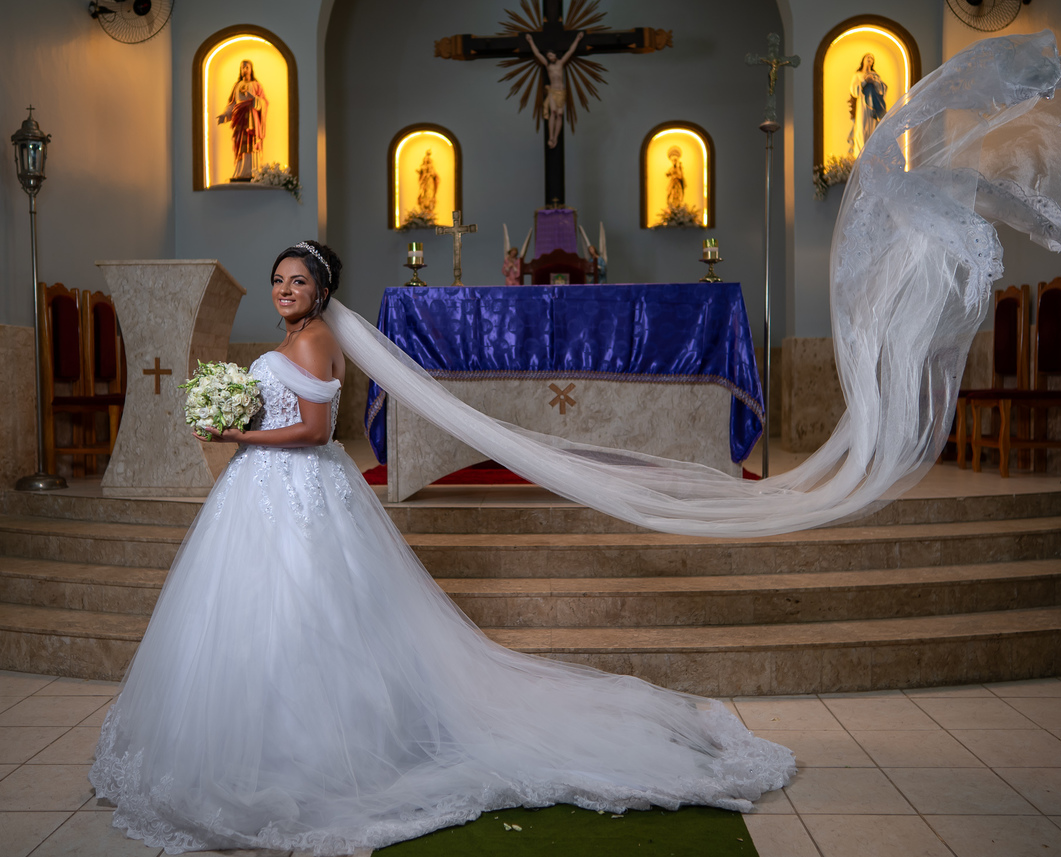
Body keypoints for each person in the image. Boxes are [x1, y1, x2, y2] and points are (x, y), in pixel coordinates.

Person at [89, 240, 794, 855]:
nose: (284, 290)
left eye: (298, 282)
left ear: (322, 292)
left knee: (306, 611)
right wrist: (241, 415)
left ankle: (311, 751)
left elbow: (312, 430)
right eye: (278, 279)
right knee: (264, 616)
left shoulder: (309, 341)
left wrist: (239, 435)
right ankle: (264, 742)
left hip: (295, 486)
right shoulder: (295, 340)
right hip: (266, 491)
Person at [526, 31, 584, 149]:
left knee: (560, 114)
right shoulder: (548, 66)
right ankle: (550, 137)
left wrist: (577, 39)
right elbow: (537, 54)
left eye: (551, 55)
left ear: (555, 55)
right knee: (552, 113)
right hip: (552, 91)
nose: (549, 57)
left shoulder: (561, 63)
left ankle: (555, 137)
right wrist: (530, 41)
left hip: (561, 92)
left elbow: (570, 51)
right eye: (548, 57)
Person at [216, 59, 268, 181]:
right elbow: (232, 104)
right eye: (242, 68)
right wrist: (225, 114)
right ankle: (241, 171)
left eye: (247, 67)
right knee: (239, 143)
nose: (244, 70)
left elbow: (264, 103)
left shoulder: (256, 85)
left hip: (252, 121)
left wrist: (254, 100)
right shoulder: (237, 86)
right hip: (239, 120)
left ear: (251, 69)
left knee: (252, 143)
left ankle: (254, 172)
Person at [847, 53, 887, 158]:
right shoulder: (858, 75)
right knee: (861, 128)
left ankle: (873, 156)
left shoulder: (876, 75)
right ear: (863, 60)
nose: (869, 59)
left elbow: (883, 89)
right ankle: (860, 156)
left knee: (873, 129)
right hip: (863, 106)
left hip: (874, 107)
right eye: (867, 57)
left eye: (872, 58)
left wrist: (875, 82)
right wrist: (865, 81)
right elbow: (854, 90)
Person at [416, 148, 439, 214]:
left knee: (430, 194)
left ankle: (429, 208)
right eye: (426, 161)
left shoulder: (431, 167)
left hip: (430, 182)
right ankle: (424, 209)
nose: (427, 162)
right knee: (423, 194)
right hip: (424, 182)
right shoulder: (423, 167)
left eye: (428, 161)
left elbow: (434, 175)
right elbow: (421, 174)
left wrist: (430, 174)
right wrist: (423, 174)